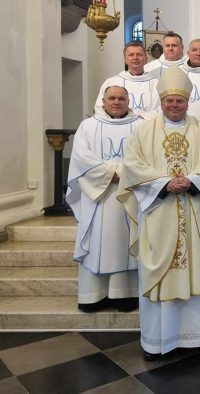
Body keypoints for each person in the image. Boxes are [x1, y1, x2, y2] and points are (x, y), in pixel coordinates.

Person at [118, 66, 200, 360]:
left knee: (193, 270)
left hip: (192, 210)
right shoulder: (143, 131)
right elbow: (132, 165)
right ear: (161, 102)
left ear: (188, 102)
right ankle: (156, 341)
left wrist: (191, 181)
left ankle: (192, 338)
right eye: (169, 101)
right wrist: (165, 182)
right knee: (157, 272)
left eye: (179, 101)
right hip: (158, 212)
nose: (174, 105)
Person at [68, 86, 143, 312]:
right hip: (98, 197)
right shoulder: (88, 126)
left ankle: (125, 294)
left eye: (121, 98)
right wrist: (112, 173)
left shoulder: (140, 126)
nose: (117, 102)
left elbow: (146, 157)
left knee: (125, 240)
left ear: (128, 100)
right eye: (112, 98)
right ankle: (94, 295)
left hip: (130, 195)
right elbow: (81, 158)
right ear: (103, 100)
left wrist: (125, 174)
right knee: (97, 240)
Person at [94, 42, 160, 119]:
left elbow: (163, 109)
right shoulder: (111, 82)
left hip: (148, 127)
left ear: (146, 59)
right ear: (125, 60)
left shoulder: (157, 84)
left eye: (139, 54)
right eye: (131, 55)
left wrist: (143, 117)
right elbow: (99, 108)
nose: (135, 57)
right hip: (118, 126)